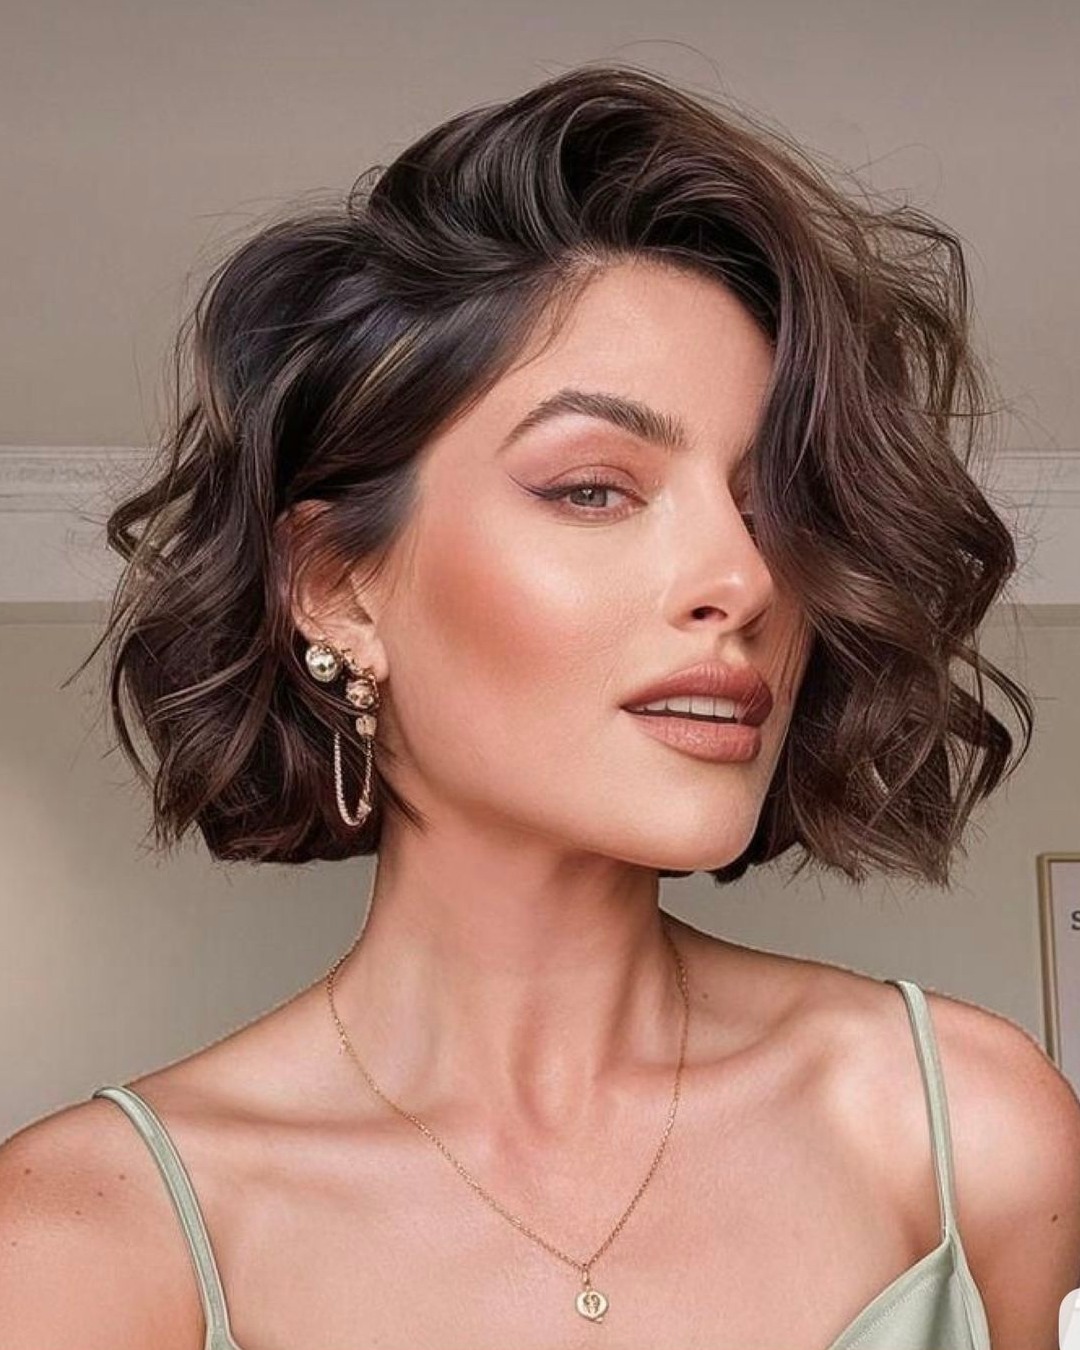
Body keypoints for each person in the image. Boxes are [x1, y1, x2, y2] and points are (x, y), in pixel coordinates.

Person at [2, 62, 1078, 1350]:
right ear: (337, 588)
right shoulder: (84, 1245)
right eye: (593, 490)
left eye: (769, 500)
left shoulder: (969, 1132)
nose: (742, 579)